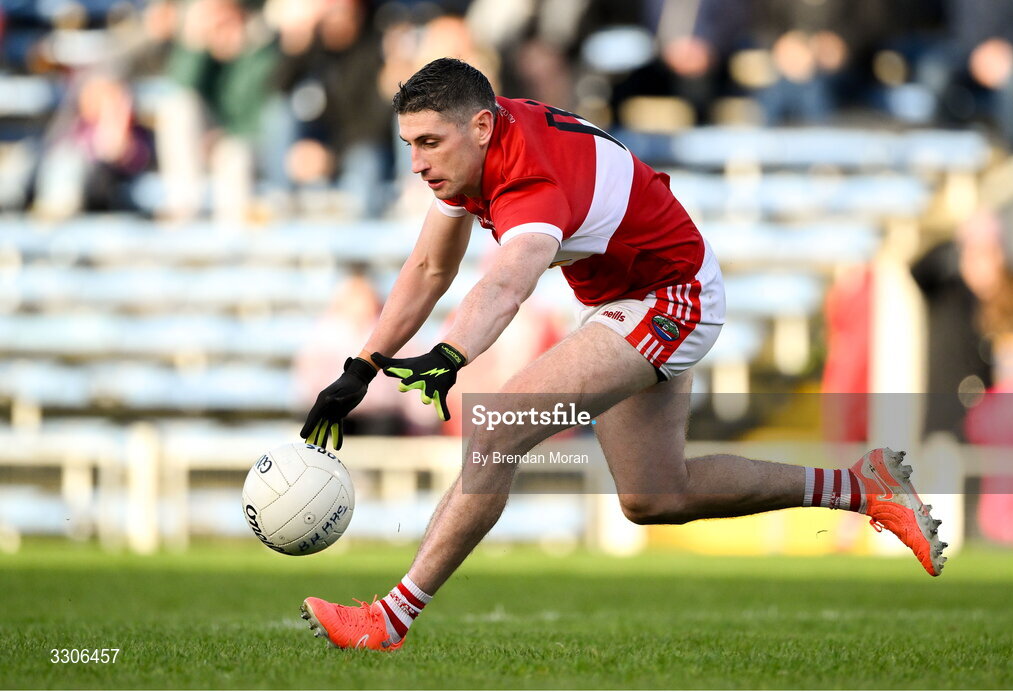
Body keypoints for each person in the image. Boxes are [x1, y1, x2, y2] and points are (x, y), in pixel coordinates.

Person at [297, 58, 947, 652]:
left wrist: (451, 352)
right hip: (630, 296)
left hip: (672, 295)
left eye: (428, 143)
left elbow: (506, 282)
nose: (416, 161)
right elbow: (430, 266)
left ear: (481, 125)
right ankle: (864, 488)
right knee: (654, 495)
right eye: (410, 144)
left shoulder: (528, 175)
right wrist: (362, 366)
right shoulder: (472, 150)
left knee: (497, 425)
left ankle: (391, 617)